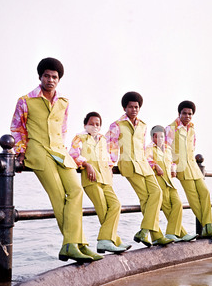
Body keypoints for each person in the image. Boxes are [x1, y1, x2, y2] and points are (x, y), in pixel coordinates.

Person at [10, 57, 103, 263]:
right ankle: (76, 244)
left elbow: (62, 129)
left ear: (59, 79)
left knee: (76, 191)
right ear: (40, 77)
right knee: (59, 197)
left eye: (54, 77)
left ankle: (73, 244)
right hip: (39, 152)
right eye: (47, 76)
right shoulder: (26, 101)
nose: (50, 80)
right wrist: (21, 150)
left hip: (61, 153)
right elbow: (17, 129)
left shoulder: (64, 102)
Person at [105, 91, 174, 247]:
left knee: (157, 193)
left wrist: (151, 163)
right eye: (130, 107)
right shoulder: (116, 125)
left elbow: (142, 147)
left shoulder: (143, 125)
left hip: (144, 164)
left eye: (136, 107)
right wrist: (110, 165)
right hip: (129, 165)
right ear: (125, 108)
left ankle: (144, 230)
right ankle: (156, 236)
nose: (134, 109)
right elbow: (111, 146)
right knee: (145, 198)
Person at [69, 111, 131, 254]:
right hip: (91, 180)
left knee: (116, 205)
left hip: (106, 180)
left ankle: (108, 241)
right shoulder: (80, 138)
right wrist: (87, 165)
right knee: (103, 209)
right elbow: (73, 154)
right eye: (91, 123)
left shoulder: (103, 139)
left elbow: (108, 157)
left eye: (97, 124)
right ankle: (112, 241)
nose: (94, 126)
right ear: (85, 124)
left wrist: (110, 168)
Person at [165, 101, 212, 238]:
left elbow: (192, 147)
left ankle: (209, 226)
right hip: (180, 167)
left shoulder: (192, 129)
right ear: (179, 113)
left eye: (190, 114)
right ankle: (208, 227)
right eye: (184, 113)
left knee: (205, 192)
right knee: (193, 198)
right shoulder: (170, 128)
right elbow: (166, 149)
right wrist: (172, 166)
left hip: (193, 166)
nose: (187, 116)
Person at [146, 125, 198, 242]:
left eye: (161, 136)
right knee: (167, 208)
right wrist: (155, 165)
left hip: (170, 181)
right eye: (156, 136)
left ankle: (171, 233)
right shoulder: (149, 148)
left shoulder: (168, 149)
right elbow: (146, 160)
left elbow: (173, 161)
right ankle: (181, 234)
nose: (159, 138)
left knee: (178, 204)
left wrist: (173, 168)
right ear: (152, 137)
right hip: (159, 181)